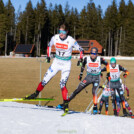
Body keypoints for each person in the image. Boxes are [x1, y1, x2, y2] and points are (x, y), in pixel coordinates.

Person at [25, 23, 84, 113]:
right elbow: (49, 46)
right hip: (56, 63)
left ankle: (65, 103)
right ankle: (35, 94)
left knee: (62, 84)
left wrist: (80, 59)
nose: (61, 34)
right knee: (45, 80)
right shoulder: (55, 37)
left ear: (67, 32)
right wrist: (48, 56)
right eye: (60, 31)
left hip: (66, 64)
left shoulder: (71, 40)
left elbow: (81, 49)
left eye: (63, 32)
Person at [67, 47, 109, 114]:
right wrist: (81, 74)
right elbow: (83, 65)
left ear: (97, 54)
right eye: (91, 53)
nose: (93, 55)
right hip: (88, 77)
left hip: (96, 78)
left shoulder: (100, 59)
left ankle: (95, 107)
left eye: (94, 54)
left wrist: (108, 74)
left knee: (94, 91)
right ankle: (67, 102)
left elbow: (107, 64)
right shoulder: (87, 59)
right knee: (78, 89)